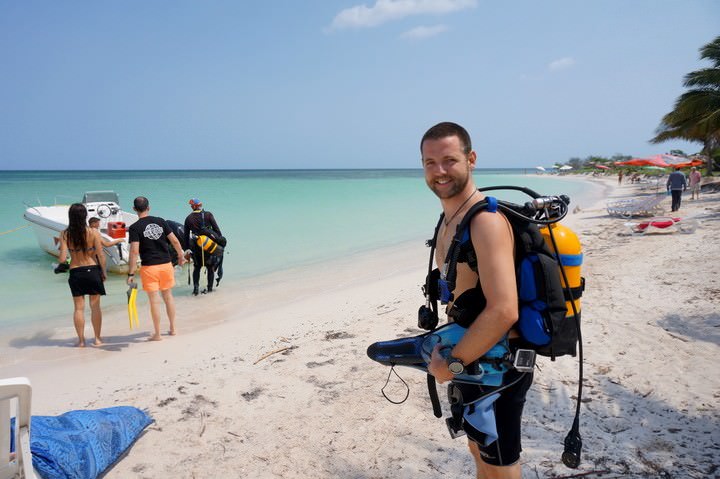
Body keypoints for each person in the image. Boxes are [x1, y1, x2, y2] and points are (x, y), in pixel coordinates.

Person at [421, 122, 532, 479]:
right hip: (472, 358)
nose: (439, 171)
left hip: (498, 369)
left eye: (449, 160)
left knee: (501, 466)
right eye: (429, 162)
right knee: (478, 450)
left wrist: (450, 365)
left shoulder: (486, 221)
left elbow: (504, 309)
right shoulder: (449, 218)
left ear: (471, 159)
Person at [127, 196, 186, 340]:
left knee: (154, 300)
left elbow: (134, 252)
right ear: (149, 207)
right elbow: (175, 241)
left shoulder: (135, 228)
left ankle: (158, 334)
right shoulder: (160, 221)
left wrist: (131, 273)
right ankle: (173, 328)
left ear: (134, 209)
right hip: (166, 265)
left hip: (149, 268)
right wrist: (180, 256)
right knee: (168, 297)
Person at [58, 204, 106, 347]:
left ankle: (81, 341)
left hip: (76, 271)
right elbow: (101, 255)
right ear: (85, 216)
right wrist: (103, 272)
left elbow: (62, 259)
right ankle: (97, 339)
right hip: (92, 270)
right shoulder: (94, 232)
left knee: (79, 308)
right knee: (95, 307)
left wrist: (61, 264)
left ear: (70, 216)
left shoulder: (65, 234)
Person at [183, 198, 223, 296]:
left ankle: (196, 290)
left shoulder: (188, 218)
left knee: (197, 268)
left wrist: (187, 250)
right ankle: (209, 289)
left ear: (193, 206)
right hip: (208, 247)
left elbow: (186, 237)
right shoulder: (208, 215)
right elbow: (218, 231)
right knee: (210, 268)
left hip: (196, 247)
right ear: (200, 205)